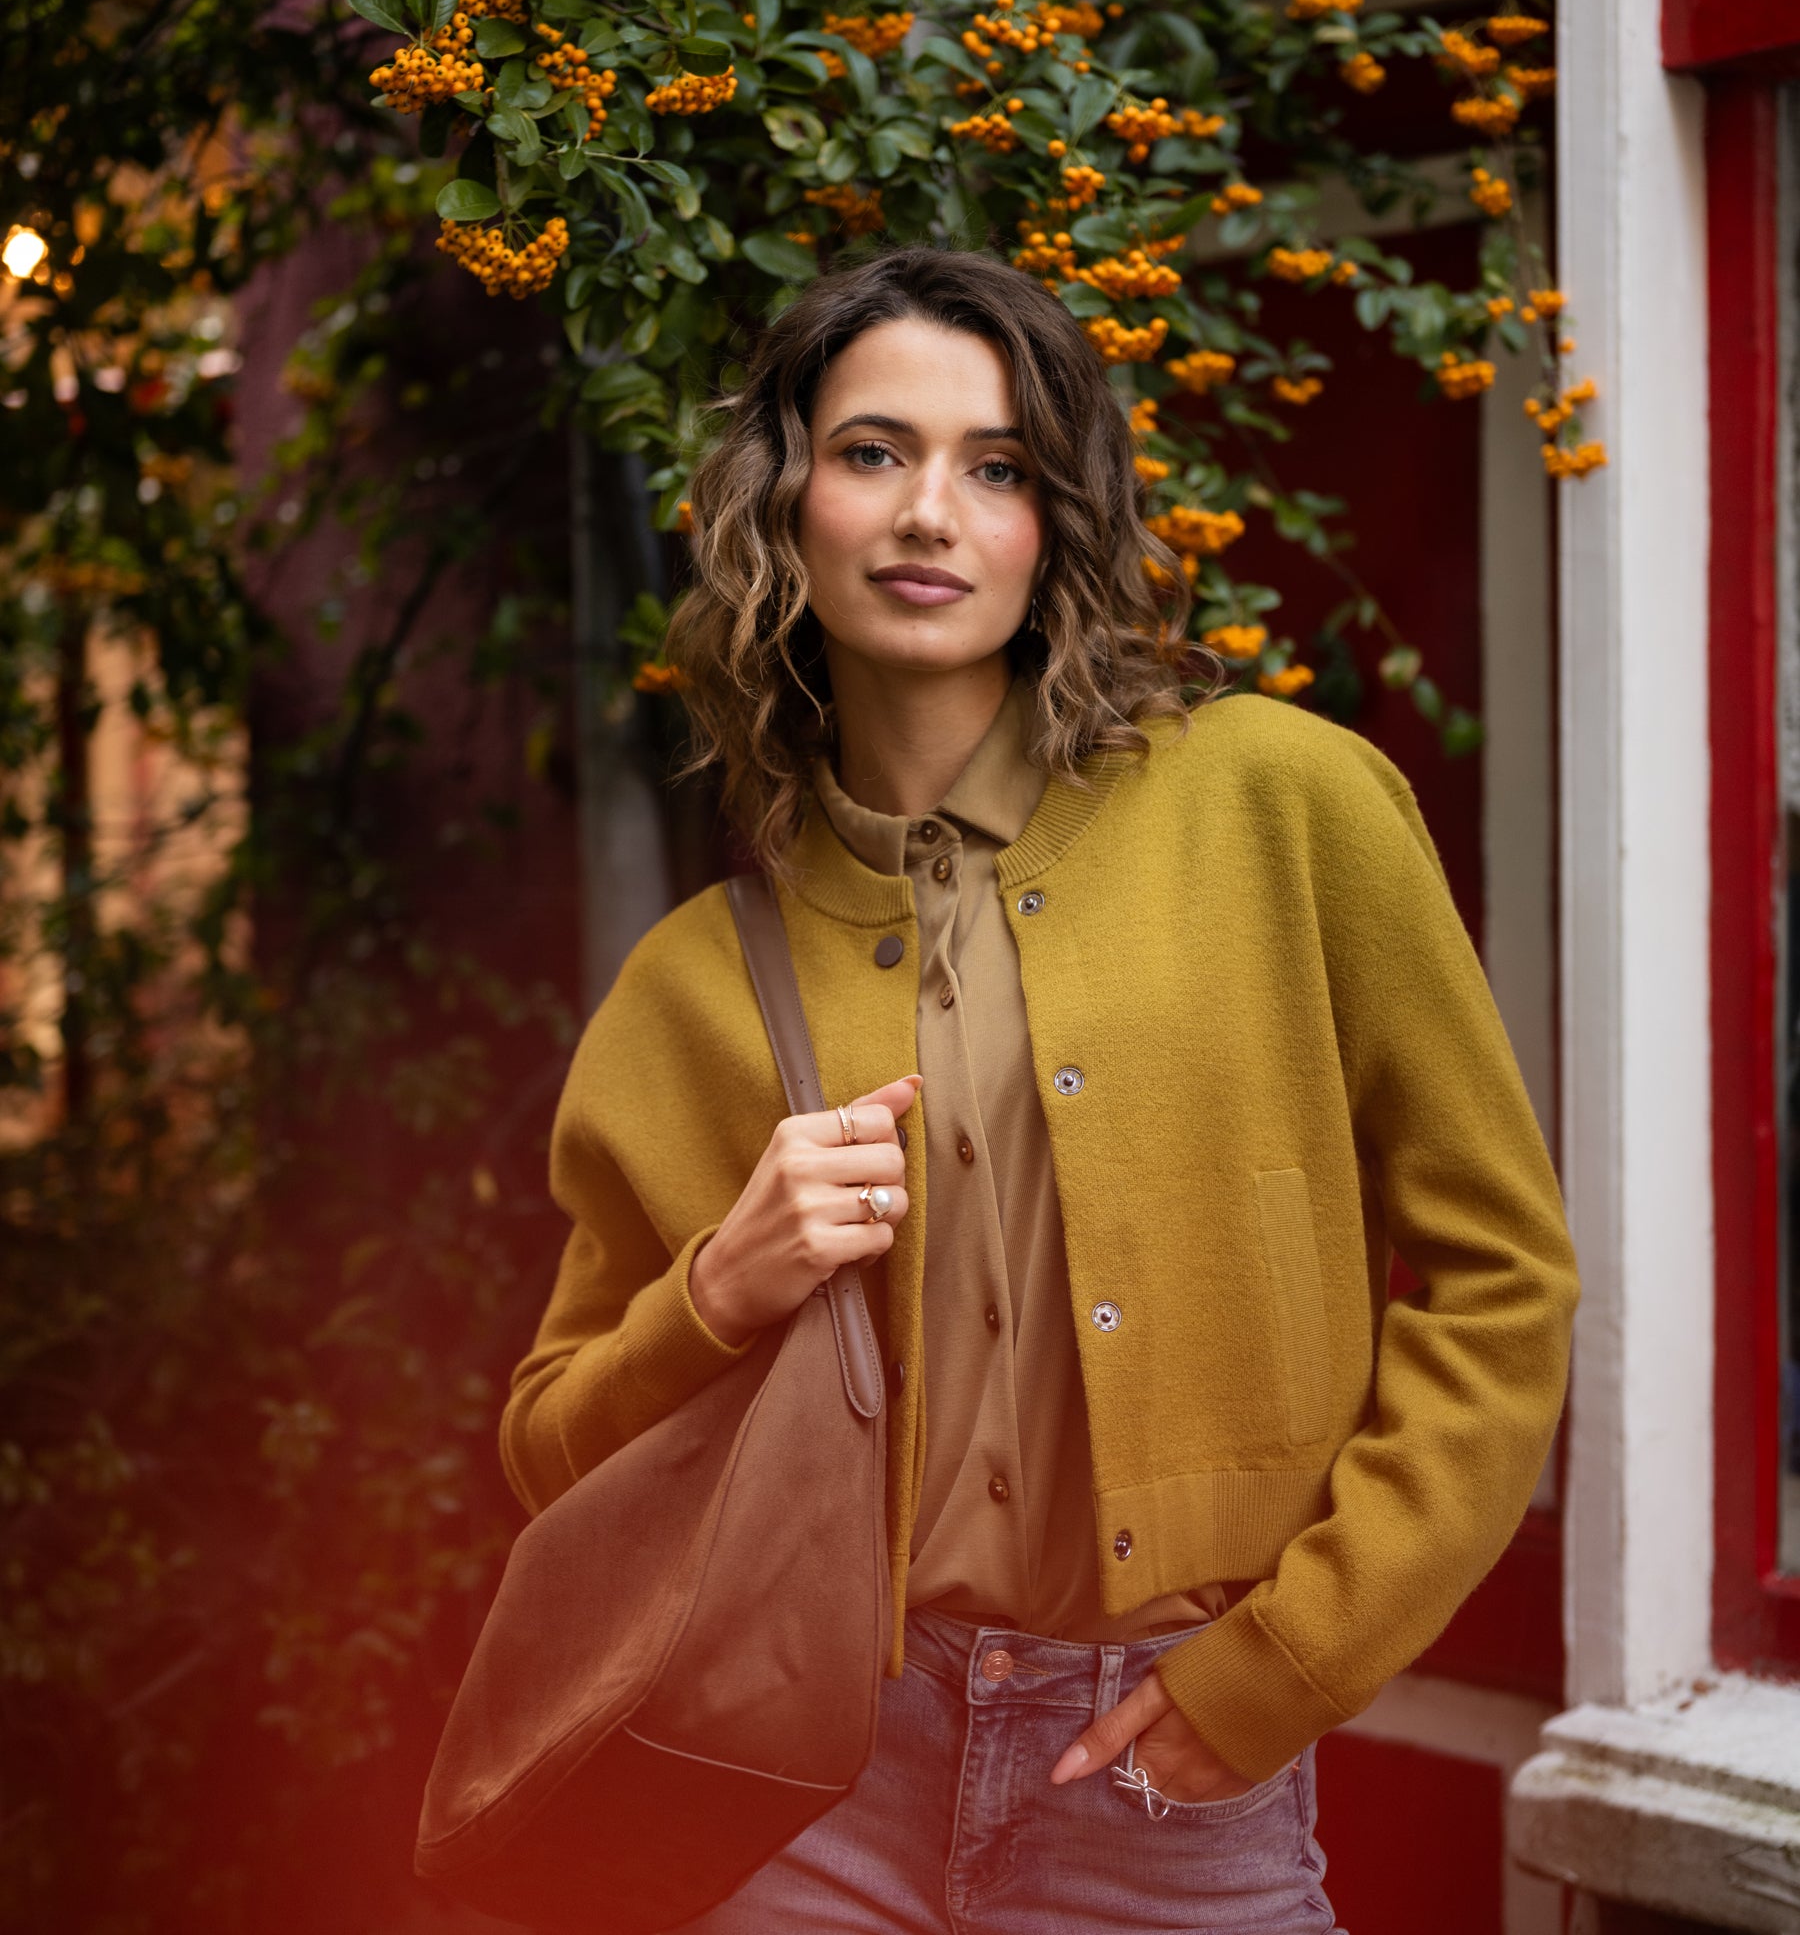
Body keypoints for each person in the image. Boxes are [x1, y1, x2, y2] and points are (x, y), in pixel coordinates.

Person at [500, 247, 1580, 1933]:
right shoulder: (693, 988)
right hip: (806, 1786)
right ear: (785, 505)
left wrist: (1287, 1663)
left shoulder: (1285, 807)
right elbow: (551, 1452)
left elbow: (1507, 1283)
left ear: (1055, 521)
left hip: (1164, 1778)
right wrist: (720, 1287)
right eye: (873, 452)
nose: (931, 510)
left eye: (996, 468)